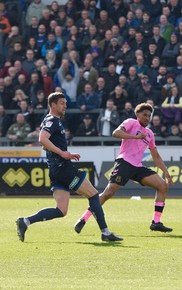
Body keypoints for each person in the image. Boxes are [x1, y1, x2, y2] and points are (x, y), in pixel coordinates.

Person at [16, 92, 122, 242]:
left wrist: (66, 153)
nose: (65, 106)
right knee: (93, 195)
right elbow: (42, 139)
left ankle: (25, 221)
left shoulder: (50, 120)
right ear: (53, 105)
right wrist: (63, 153)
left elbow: (49, 142)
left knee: (61, 210)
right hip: (64, 169)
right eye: (62, 103)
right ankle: (105, 232)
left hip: (56, 170)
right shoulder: (52, 120)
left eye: (65, 103)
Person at [74, 103, 174, 234]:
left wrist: (166, 173)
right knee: (108, 193)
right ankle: (83, 219)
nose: (147, 118)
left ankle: (156, 222)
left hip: (137, 166)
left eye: (149, 116)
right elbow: (115, 133)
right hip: (125, 162)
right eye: (144, 115)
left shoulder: (149, 134)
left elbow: (155, 155)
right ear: (137, 115)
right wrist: (135, 137)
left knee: (162, 186)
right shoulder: (131, 122)